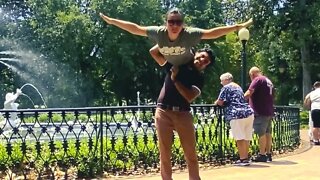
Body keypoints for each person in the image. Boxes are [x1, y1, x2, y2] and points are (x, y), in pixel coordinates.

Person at [100, 8, 252, 66]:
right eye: (171, 22)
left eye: (178, 22)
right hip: (171, 65)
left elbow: (212, 33)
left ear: (183, 24)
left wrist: (238, 27)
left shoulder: (189, 34)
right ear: (166, 23)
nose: (174, 25)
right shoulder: (158, 32)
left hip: (187, 65)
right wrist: (112, 21)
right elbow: (135, 29)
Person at [150, 45, 214, 180]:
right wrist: (170, 39)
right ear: (196, 53)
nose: (202, 60)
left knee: (190, 152)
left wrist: (175, 79)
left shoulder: (199, 78)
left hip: (183, 114)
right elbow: (154, 52)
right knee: (164, 152)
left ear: (206, 66)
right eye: (202, 56)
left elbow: (189, 96)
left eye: (206, 61)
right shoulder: (178, 62)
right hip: (163, 112)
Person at [214, 72, 254, 166]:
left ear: (226, 80)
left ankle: (243, 159)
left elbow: (220, 101)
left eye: (221, 81)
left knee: (239, 137)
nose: (221, 83)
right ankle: (245, 158)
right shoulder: (238, 86)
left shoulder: (226, 87)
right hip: (248, 112)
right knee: (246, 137)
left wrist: (216, 102)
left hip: (236, 114)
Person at [244, 67, 275, 162]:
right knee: (268, 133)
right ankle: (268, 154)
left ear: (252, 74)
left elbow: (249, 92)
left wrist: (241, 99)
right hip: (269, 110)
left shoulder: (257, 79)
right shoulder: (268, 80)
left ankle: (262, 154)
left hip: (260, 111)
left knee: (261, 133)